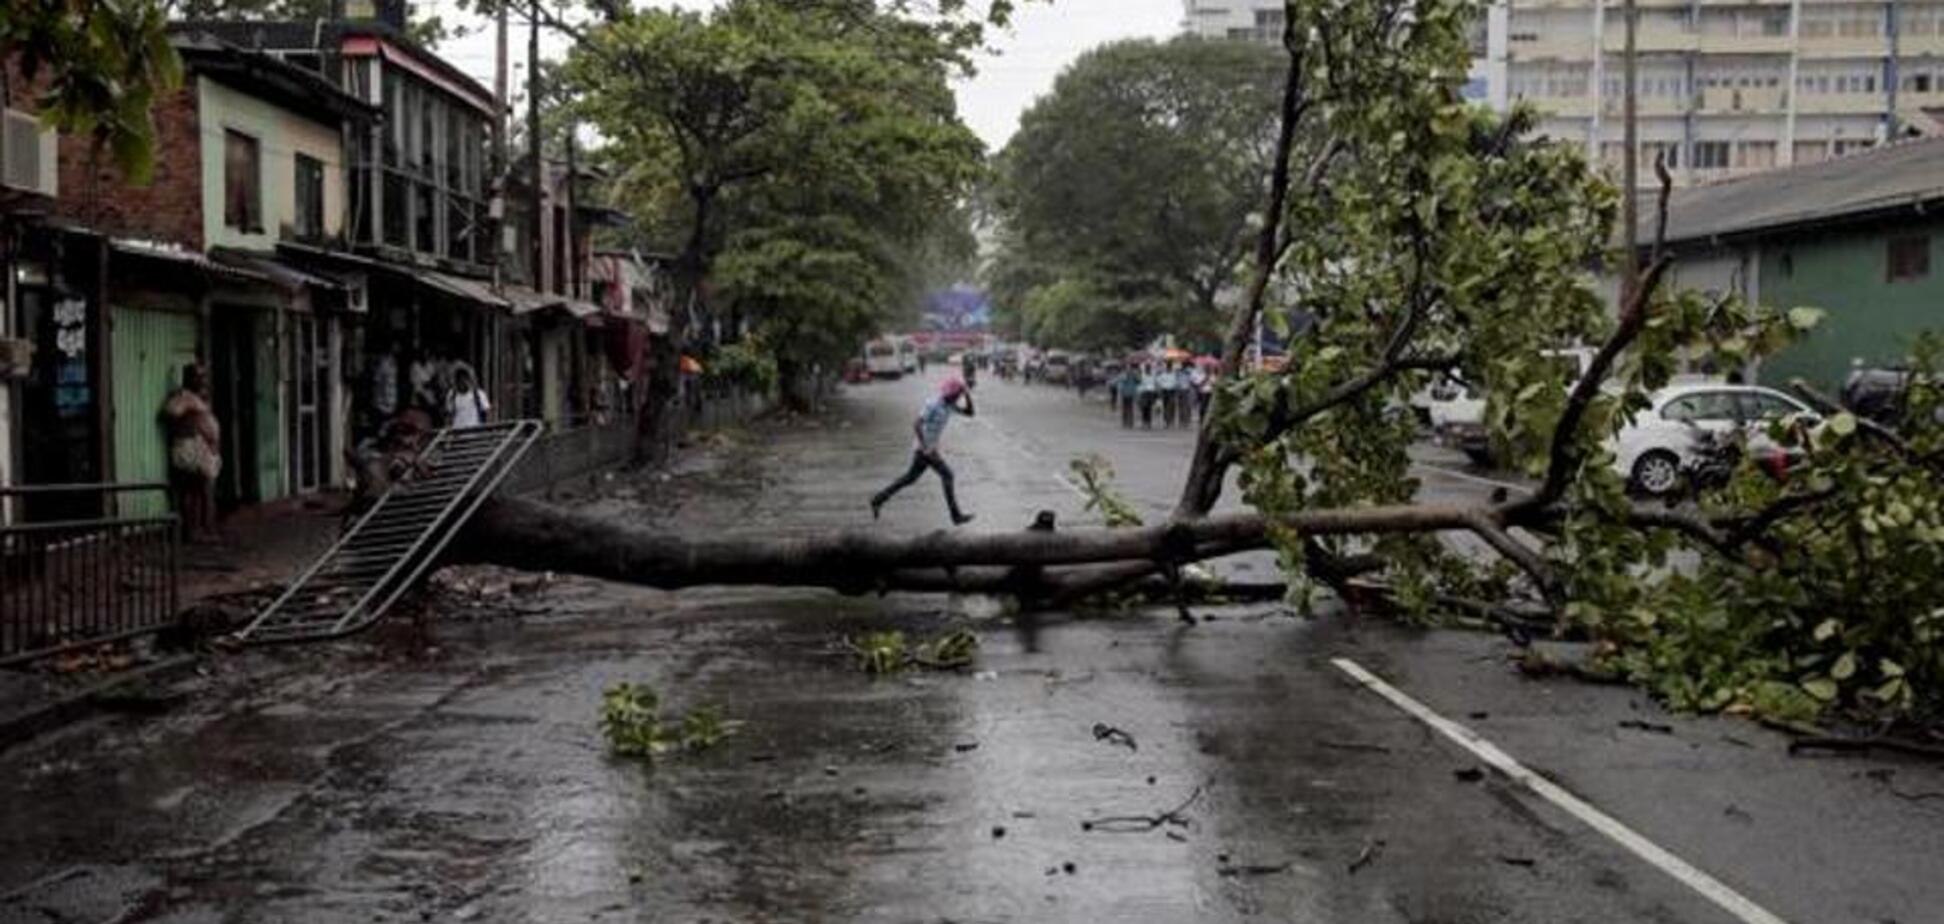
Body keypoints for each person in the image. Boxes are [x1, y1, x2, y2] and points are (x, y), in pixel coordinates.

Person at [871, 376, 976, 525]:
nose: (957, 397)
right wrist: (926, 447)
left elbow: (970, 413)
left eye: (959, 395)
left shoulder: (950, 405)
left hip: (929, 449)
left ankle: (877, 499)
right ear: (950, 393)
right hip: (924, 450)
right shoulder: (933, 404)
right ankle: (955, 516)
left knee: (909, 478)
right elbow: (916, 424)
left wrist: (967, 394)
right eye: (957, 394)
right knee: (948, 475)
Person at [161, 363, 221, 542]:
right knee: (195, 489)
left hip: (201, 447)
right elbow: (170, 412)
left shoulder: (199, 397)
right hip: (190, 447)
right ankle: (194, 531)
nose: (202, 380)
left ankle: (203, 529)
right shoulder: (183, 397)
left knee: (201, 489)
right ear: (188, 378)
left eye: (203, 376)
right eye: (197, 376)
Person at [447, 363, 492, 428]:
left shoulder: (478, 394)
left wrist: (488, 429)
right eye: (459, 378)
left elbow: (488, 412)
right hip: (457, 433)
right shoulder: (452, 395)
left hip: (474, 431)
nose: (462, 380)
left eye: (464, 377)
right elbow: (449, 415)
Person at [1137, 365, 1158, 429]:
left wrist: (1156, 392)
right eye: (1147, 369)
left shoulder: (1153, 376)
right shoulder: (1143, 376)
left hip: (1151, 393)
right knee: (1144, 408)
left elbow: (1155, 384)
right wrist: (1139, 393)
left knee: (1149, 409)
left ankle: (1149, 423)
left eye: (1149, 369)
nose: (1148, 370)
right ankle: (1144, 422)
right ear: (1145, 369)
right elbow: (1140, 384)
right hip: (1144, 393)